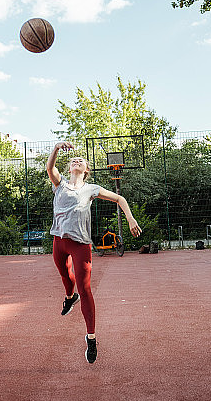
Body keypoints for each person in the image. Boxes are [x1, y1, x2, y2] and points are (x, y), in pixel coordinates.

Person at [46, 141, 141, 364]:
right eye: (73, 160)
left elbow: (119, 198)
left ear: (86, 170)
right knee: (65, 277)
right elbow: (50, 167)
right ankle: (70, 298)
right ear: (70, 167)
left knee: (85, 288)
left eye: (81, 161)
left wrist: (130, 218)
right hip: (59, 241)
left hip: (80, 244)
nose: (76, 161)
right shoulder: (59, 184)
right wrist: (57, 148)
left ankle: (91, 338)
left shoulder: (91, 189)